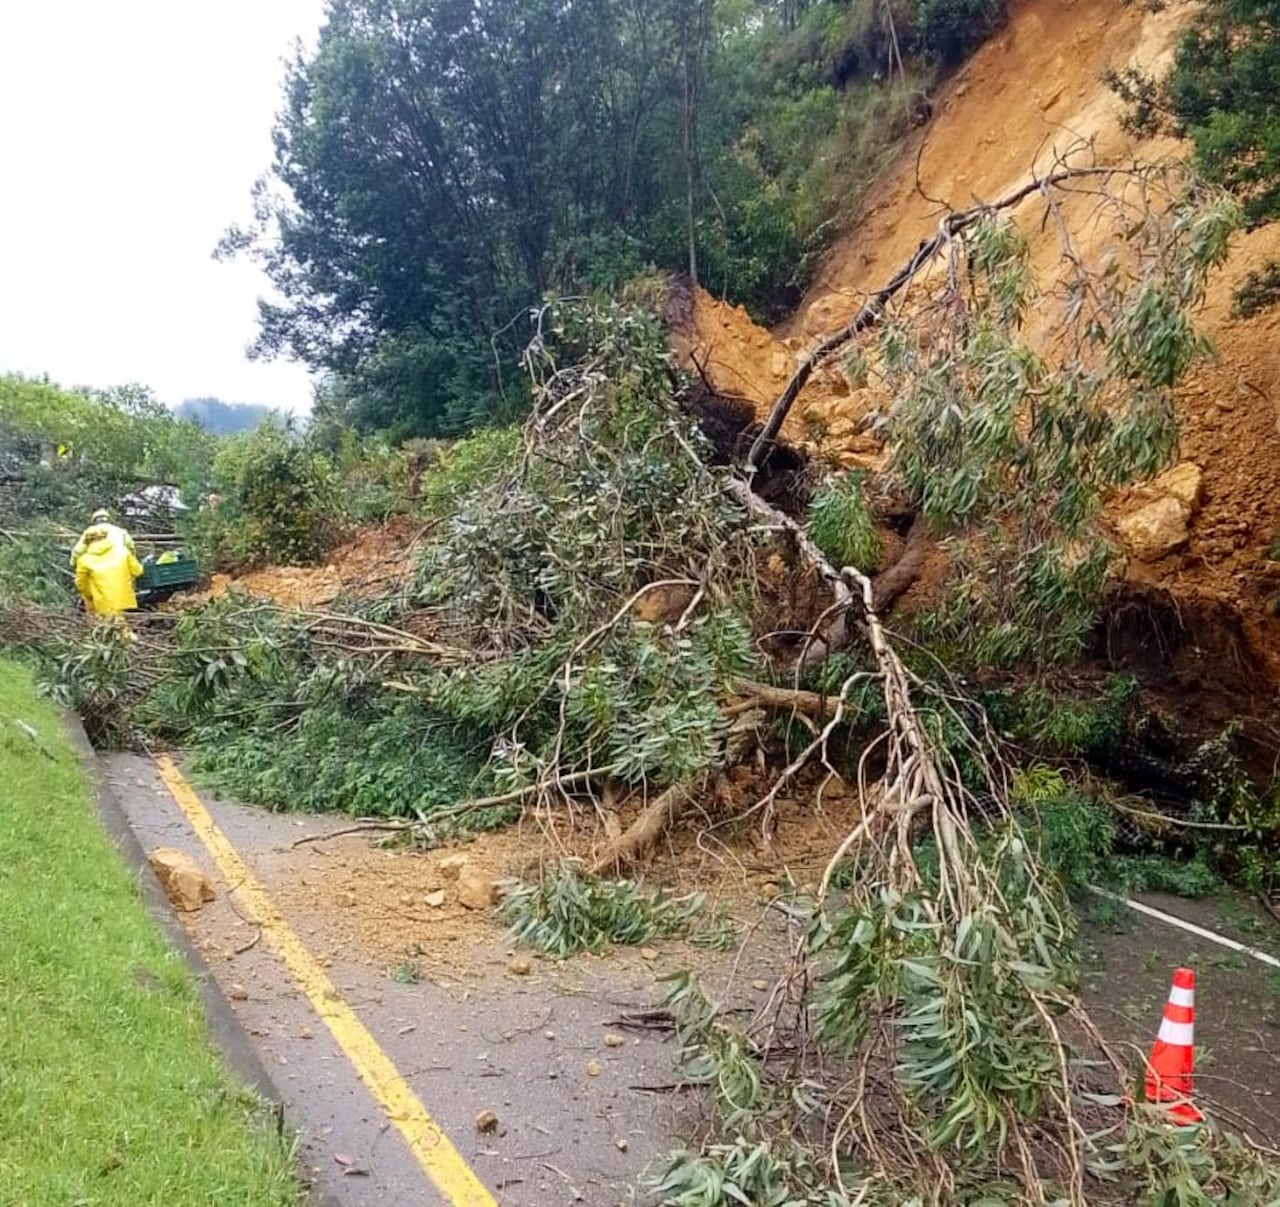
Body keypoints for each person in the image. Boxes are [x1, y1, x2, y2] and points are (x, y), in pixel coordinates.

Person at [75, 526, 144, 617]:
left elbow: (81, 585)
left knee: (110, 628)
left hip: (103, 605)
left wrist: (90, 596)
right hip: (126, 601)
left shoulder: (83, 560)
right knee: (125, 626)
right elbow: (138, 571)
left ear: (87, 542)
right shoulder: (123, 551)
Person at [69, 508, 135, 570]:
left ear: (94, 521)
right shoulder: (121, 531)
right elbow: (131, 548)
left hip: (96, 568)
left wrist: (73, 563)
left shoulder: (90, 532)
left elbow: (78, 551)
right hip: (119, 565)